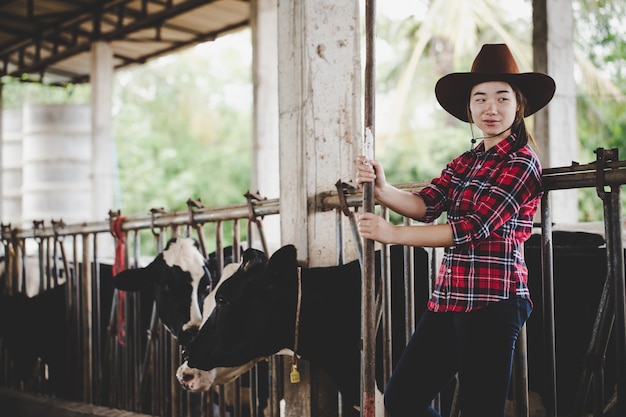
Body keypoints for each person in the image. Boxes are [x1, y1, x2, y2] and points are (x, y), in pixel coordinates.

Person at [356, 43, 555, 417]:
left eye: (502, 97)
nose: (490, 108)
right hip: (450, 295)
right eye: (480, 99)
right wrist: (383, 190)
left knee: (482, 409)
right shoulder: (467, 161)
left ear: (518, 104)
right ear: (469, 108)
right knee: (401, 400)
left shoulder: (523, 163)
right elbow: (427, 203)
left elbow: (471, 228)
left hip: (494, 300)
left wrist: (393, 234)